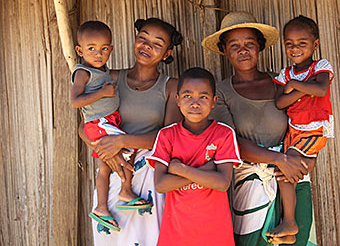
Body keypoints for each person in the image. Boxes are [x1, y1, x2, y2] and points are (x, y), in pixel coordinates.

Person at [202, 11, 315, 245]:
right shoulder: (221, 93)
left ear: (260, 47)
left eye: (249, 44)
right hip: (252, 181)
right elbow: (231, 142)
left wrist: (305, 160)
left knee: (297, 240)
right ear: (224, 50)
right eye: (234, 45)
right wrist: (279, 159)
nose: (243, 50)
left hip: (292, 177)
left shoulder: (283, 82)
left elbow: (307, 124)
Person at [78, 18, 183, 246]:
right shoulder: (110, 79)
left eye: (157, 43)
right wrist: (106, 151)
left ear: (167, 53)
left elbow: (169, 135)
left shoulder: (171, 86)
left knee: (150, 239)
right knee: (113, 239)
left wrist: (122, 141)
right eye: (142, 38)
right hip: (112, 170)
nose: (146, 46)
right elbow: (84, 125)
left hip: (149, 175)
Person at [71, 21, 152, 232]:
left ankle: (101, 208)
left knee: (105, 166)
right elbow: (75, 101)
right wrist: (102, 93)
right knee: (129, 148)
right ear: (80, 51)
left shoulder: (103, 70)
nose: (98, 54)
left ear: (111, 49)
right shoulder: (83, 72)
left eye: (104, 49)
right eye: (91, 49)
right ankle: (125, 191)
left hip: (106, 122)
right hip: (99, 123)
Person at [146, 67, 242, 246]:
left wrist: (179, 169)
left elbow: (222, 183)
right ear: (177, 100)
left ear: (214, 101)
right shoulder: (167, 136)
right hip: (177, 232)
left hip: (215, 232)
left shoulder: (223, 134)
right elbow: (161, 184)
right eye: (187, 96)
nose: (195, 103)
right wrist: (205, 171)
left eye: (203, 97)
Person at [266, 15, 334, 241]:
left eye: (302, 43)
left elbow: (322, 89)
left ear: (315, 44)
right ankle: (290, 227)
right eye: (289, 44)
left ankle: (290, 223)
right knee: (284, 171)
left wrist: (294, 86)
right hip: (294, 130)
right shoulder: (286, 74)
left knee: (286, 168)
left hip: (314, 128)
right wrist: (303, 86)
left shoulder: (320, 66)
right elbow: (279, 102)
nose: (295, 48)